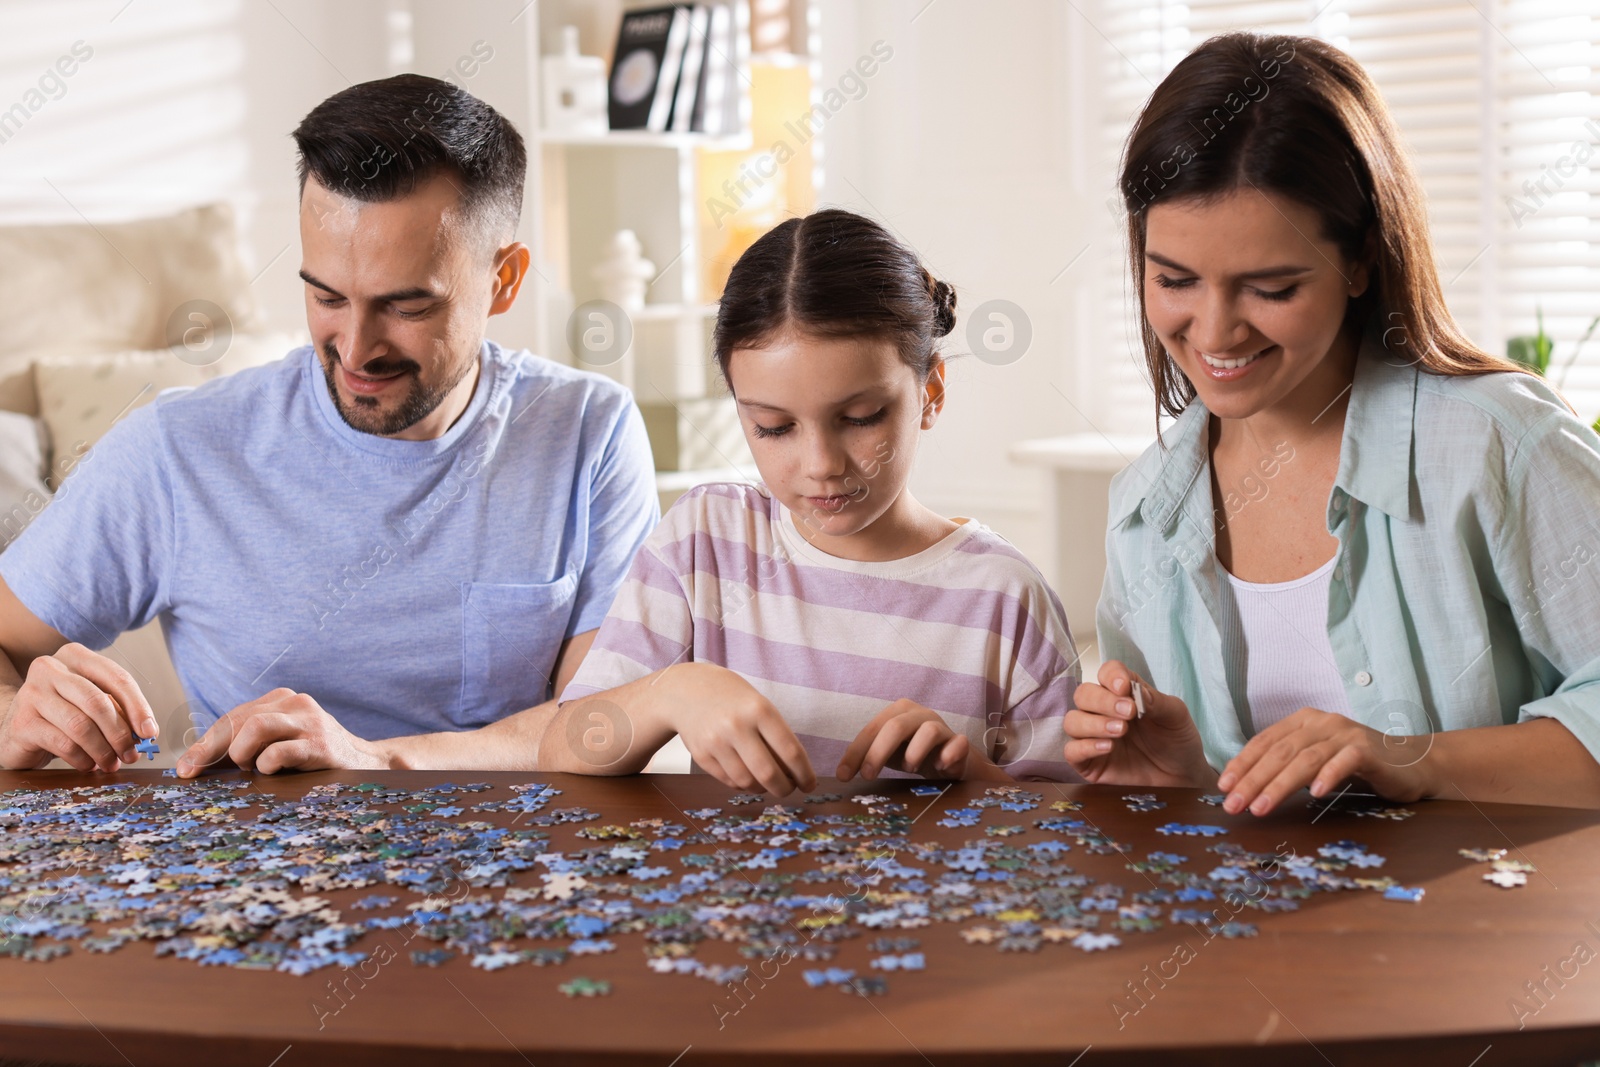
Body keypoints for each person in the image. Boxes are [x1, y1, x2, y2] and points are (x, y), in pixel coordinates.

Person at [0, 74, 658, 775]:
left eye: (405, 306)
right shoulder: (179, 451)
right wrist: (16, 712)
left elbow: (606, 723)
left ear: (504, 280)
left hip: (522, 866)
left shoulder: (591, 432)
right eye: (326, 296)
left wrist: (373, 758)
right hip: (252, 872)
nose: (355, 347)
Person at [1065, 33, 1600, 813]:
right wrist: (1182, 777)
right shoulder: (1145, 511)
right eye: (1174, 279)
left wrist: (1416, 760)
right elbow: (1222, 822)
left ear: (1360, 262)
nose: (1214, 333)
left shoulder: (1498, 445)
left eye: (1271, 288)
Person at [538, 209, 1082, 794]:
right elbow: (565, 747)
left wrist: (972, 777)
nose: (821, 465)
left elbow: (1068, 823)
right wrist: (672, 691)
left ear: (930, 392)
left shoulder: (1005, 598)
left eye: (860, 417)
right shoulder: (705, 540)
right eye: (774, 427)